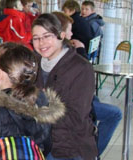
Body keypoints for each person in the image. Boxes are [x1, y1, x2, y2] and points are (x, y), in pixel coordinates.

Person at [53, 11, 122, 157]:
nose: (72, 34)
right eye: (70, 30)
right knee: (114, 114)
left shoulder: (63, 50)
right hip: (69, 107)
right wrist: (81, 50)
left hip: (75, 103)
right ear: (62, 33)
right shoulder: (65, 53)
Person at [32, 13, 97, 160]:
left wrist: (43, 102)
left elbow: (75, 118)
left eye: (47, 36)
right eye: (36, 38)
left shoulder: (81, 68)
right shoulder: (34, 62)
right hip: (39, 140)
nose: (41, 43)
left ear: (61, 36)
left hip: (67, 147)